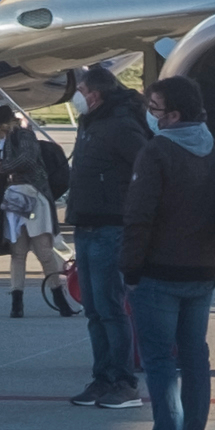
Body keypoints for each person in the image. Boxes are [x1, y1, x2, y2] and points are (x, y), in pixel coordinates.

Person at [119, 75, 215, 430]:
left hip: (159, 271)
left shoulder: (158, 152)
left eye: (156, 108)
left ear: (174, 114)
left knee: (160, 362)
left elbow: (139, 216)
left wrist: (130, 268)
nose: (151, 115)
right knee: (196, 359)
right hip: (202, 268)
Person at [64, 65, 149, 407]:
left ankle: (124, 382)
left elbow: (145, 166)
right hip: (85, 224)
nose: (77, 98)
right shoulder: (92, 123)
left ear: (95, 94)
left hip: (109, 226)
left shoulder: (121, 126)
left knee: (111, 307)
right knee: (94, 309)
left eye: (81, 91)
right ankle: (102, 377)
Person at [0, 105, 74, 318]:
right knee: (24, 253)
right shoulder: (9, 142)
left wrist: (2, 166)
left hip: (31, 197)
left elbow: (26, 160)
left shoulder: (23, 136)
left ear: (1, 125)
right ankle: (26, 302)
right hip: (20, 199)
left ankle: (45, 300)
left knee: (37, 252)